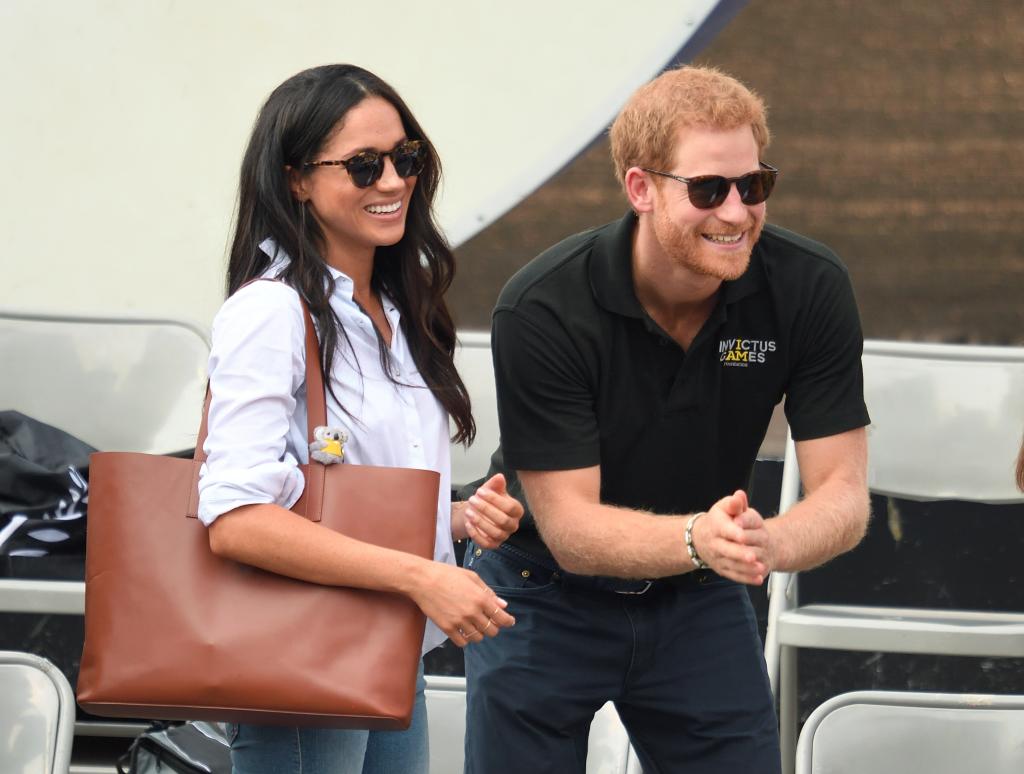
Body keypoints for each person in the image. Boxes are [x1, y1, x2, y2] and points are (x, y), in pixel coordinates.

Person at [463, 65, 871, 773]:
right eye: (710, 189)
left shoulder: (810, 285)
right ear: (641, 189)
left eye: (755, 185)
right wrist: (701, 539)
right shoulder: (544, 306)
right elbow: (572, 531)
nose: (738, 212)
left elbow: (844, 492)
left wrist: (763, 545)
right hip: (540, 588)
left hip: (702, 595)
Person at [197, 64, 523, 774]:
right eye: (363, 165)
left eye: (405, 159)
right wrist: (421, 575)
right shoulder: (271, 311)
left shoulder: (398, 312)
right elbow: (237, 517)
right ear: (296, 180)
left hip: (388, 643)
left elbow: (347, 484)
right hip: (305, 655)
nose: (392, 182)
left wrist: (454, 516)